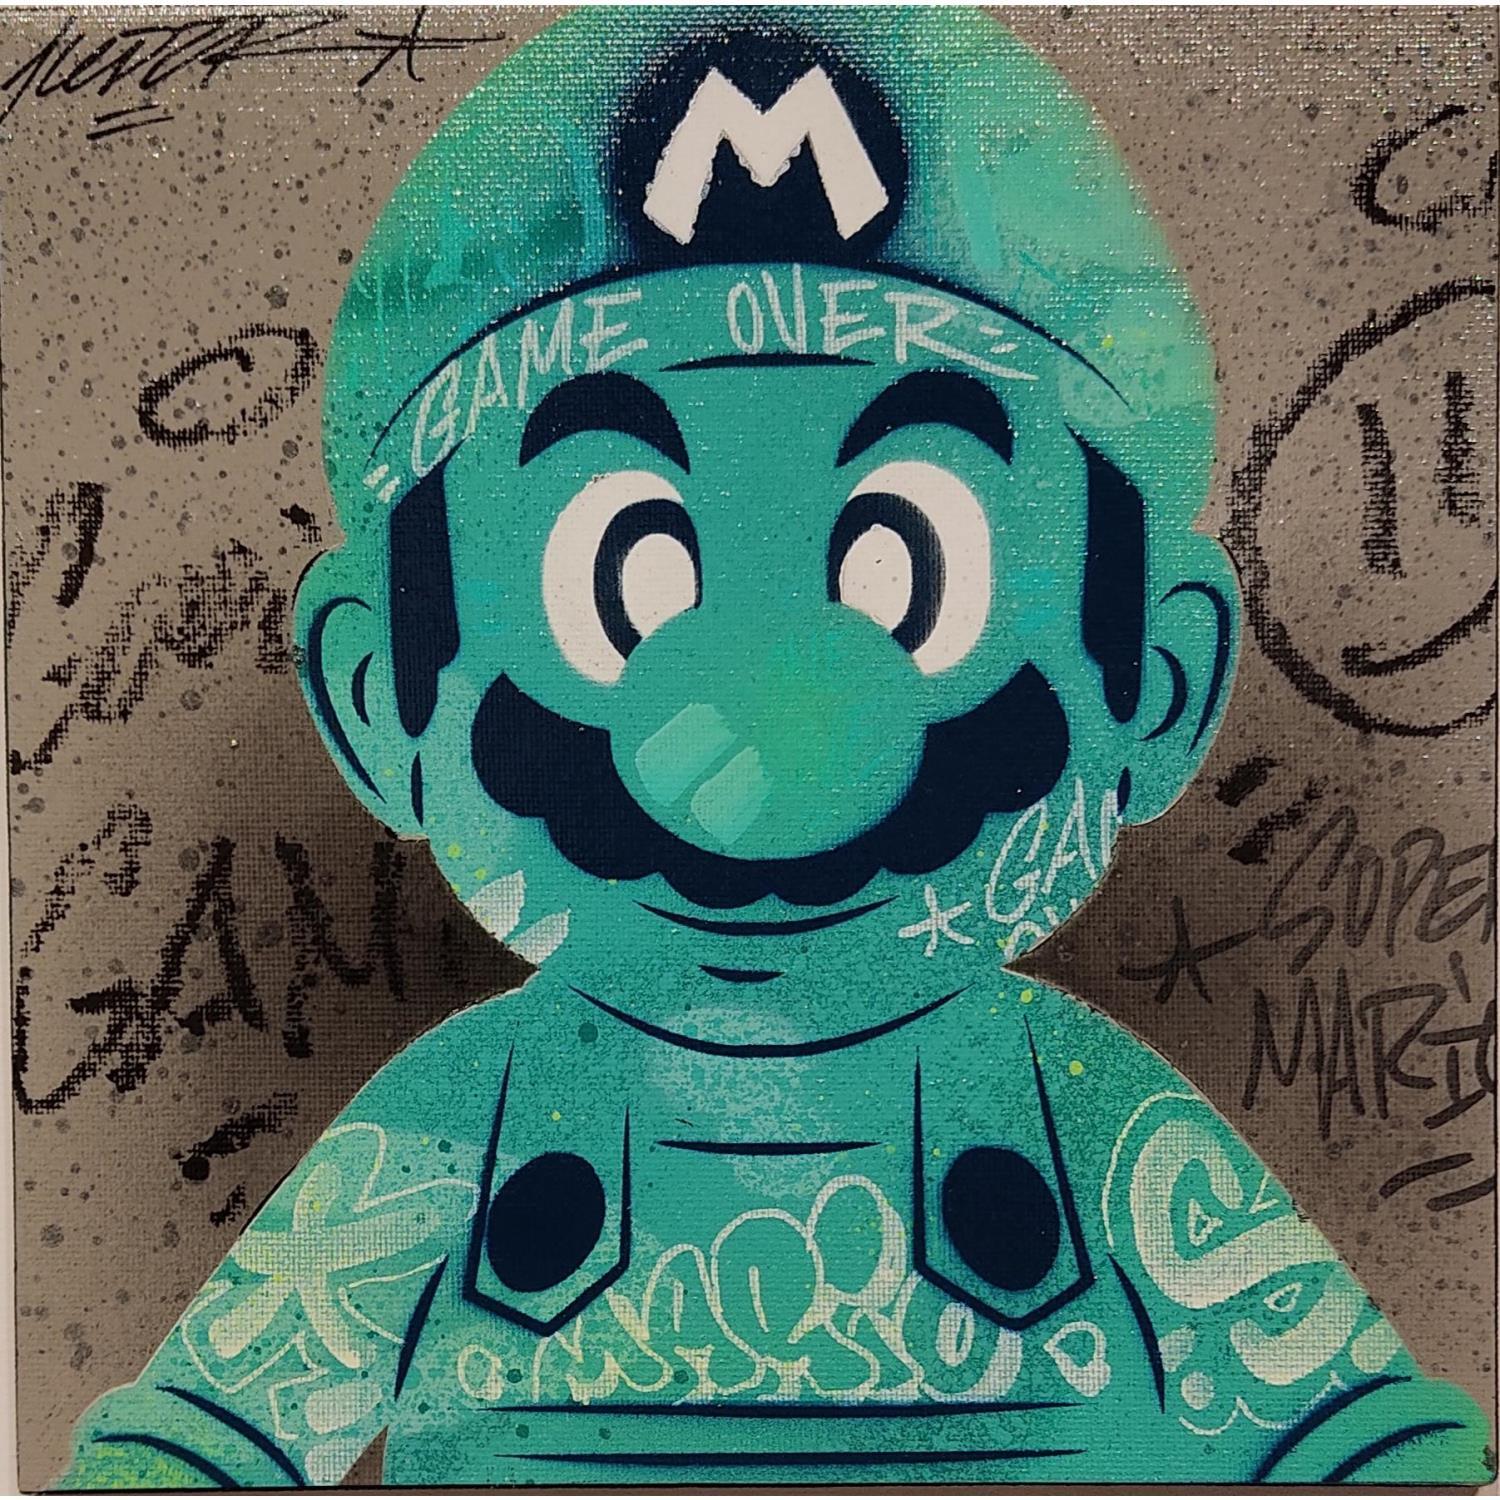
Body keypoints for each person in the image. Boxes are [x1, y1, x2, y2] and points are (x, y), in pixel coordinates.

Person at [60, 6, 1492, 1487]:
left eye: (908, 571)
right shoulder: (451, 1136)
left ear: (1159, 677)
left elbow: (1360, 1444)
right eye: (622, 581)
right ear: (379, 694)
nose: (764, 759)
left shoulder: (1096, 1125)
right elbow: (201, 1448)